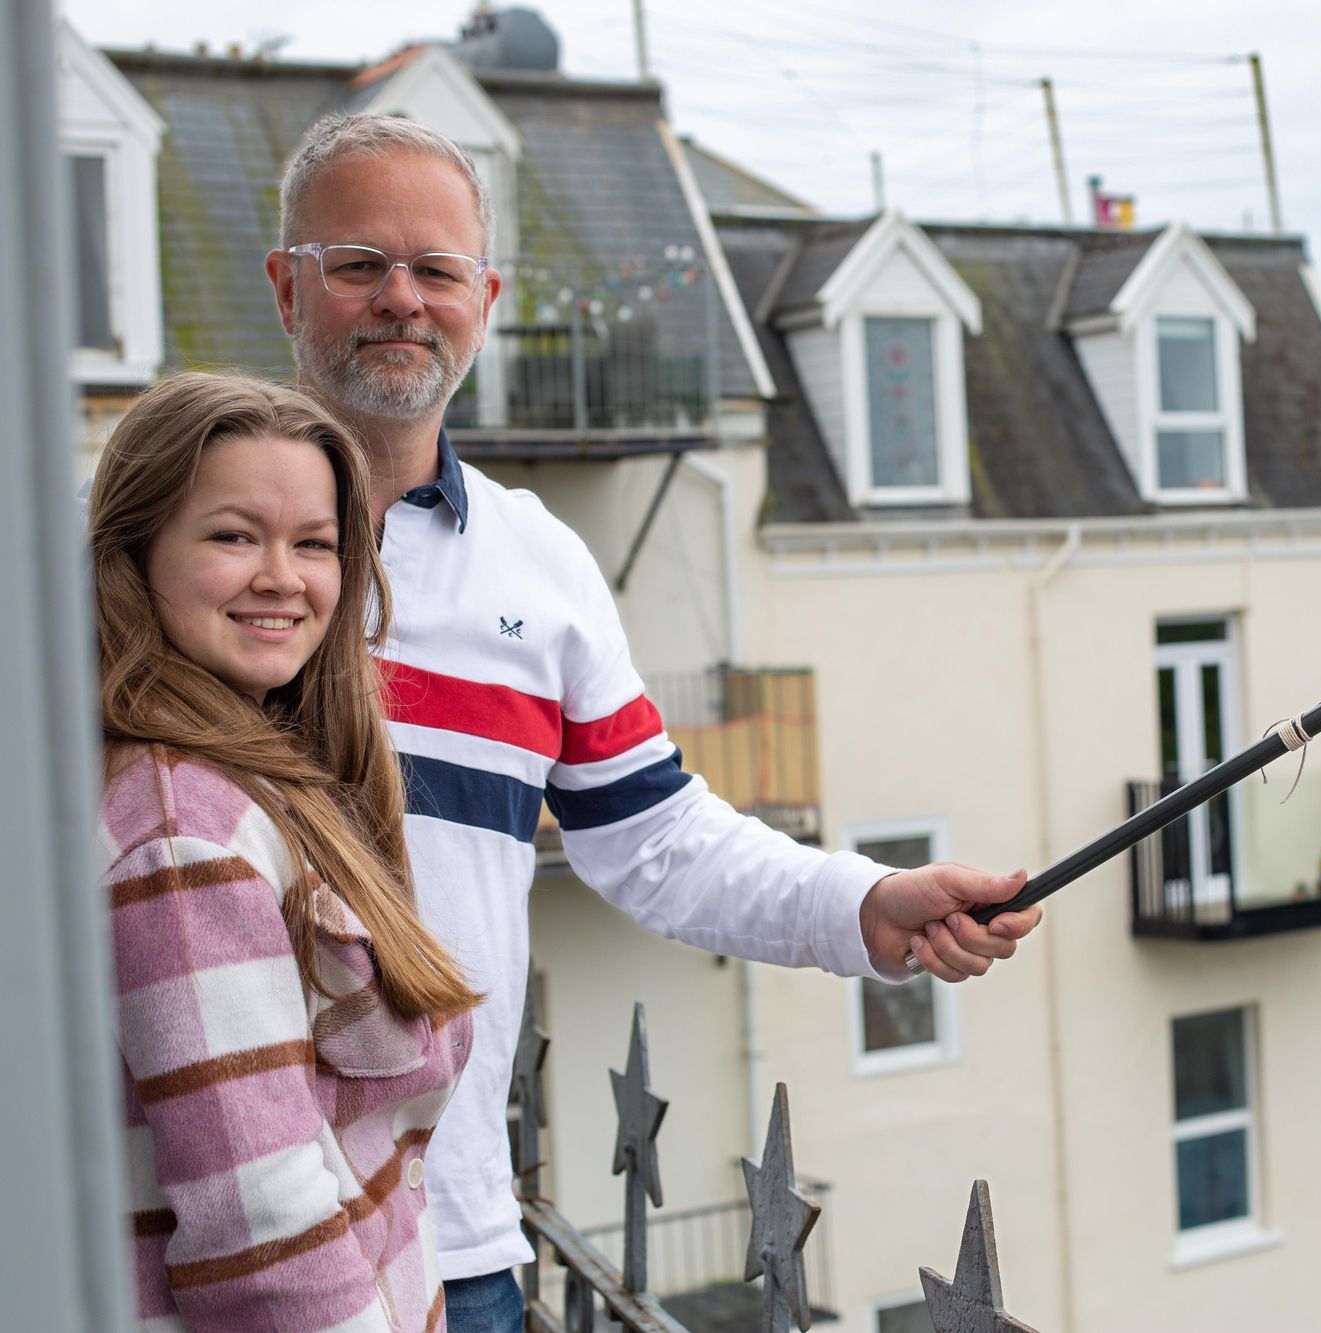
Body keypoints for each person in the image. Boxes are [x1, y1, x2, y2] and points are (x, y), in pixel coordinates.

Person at [263, 112, 1045, 1327]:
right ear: (286, 287)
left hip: (452, 1239)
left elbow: (660, 841)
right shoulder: (163, 542)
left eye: (438, 270)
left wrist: (863, 902)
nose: (400, 300)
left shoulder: (541, 565)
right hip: (209, 1221)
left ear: (487, 295)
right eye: (358, 265)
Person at [94, 372, 483, 1331]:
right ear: (135, 554)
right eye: (234, 536)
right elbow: (264, 1248)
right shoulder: (186, 840)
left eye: (314, 543)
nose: (283, 576)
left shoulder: (256, 774)